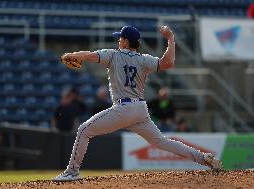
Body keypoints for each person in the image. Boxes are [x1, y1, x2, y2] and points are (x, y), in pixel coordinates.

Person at [53, 25, 222, 181]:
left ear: (126, 41)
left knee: (83, 130)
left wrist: (72, 55)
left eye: (120, 38)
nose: (118, 40)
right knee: (162, 142)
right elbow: (168, 63)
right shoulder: (144, 59)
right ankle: (204, 158)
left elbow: (89, 55)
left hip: (123, 108)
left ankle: (72, 172)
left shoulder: (113, 55)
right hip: (140, 109)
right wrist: (170, 38)